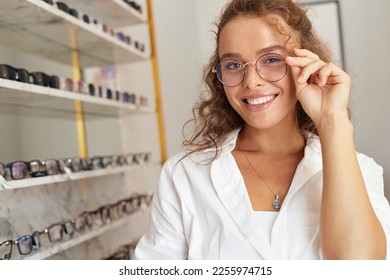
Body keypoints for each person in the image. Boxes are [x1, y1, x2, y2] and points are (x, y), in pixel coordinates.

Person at [135, 0, 390, 259]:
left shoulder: (361, 170)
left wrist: (333, 121)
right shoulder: (184, 176)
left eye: (271, 59)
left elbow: (362, 267)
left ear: (305, 62)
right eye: (233, 65)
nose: (252, 81)